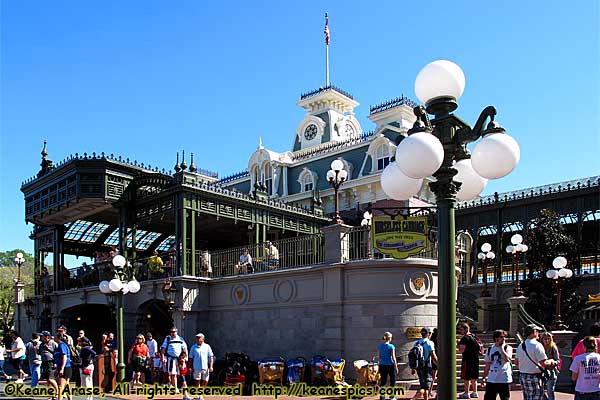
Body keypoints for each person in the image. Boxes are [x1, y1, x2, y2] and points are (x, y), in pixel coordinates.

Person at [515, 324, 558, 400]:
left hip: (523, 376)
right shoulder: (537, 345)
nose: (539, 333)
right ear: (533, 332)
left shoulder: (521, 345)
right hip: (534, 376)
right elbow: (543, 363)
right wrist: (552, 361)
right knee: (537, 397)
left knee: (527, 397)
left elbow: (516, 363)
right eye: (537, 331)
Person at [481, 330, 513, 400]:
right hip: (492, 379)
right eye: (501, 337)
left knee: (505, 398)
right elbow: (487, 365)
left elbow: (508, 359)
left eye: (504, 337)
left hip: (504, 379)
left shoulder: (508, 348)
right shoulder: (490, 349)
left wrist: (502, 349)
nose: (504, 339)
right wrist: (484, 377)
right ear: (496, 338)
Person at [570, 336, 600, 400]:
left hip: (581, 390)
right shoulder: (599, 358)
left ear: (584, 346)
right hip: (596, 390)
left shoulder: (578, 358)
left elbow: (573, 377)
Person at [411, 328, 437, 400]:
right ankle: (414, 398)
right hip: (427, 366)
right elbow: (433, 356)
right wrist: (439, 365)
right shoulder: (430, 343)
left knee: (424, 385)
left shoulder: (416, 343)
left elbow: (414, 356)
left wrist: (413, 368)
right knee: (425, 387)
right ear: (428, 334)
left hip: (418, 366)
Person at [161, 327, 188, 393]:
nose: (173, 333)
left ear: (177, 332)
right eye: (171, 332)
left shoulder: (181, 339)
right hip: (171, 359)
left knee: (181, 374)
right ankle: (175, 387)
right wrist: (162, 357)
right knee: (173, 374)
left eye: (174, 332)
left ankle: (182, 387)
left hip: (179, 359)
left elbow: (185, 349)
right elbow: (163, 349)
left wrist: (185, 358)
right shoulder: (167, 339)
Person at [188, 332, 214, 400]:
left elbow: (211, 356)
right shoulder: (193, 347)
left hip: (205, 367)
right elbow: (190, 357)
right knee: (197, 380)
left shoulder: (207, 346)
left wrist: (211, 366)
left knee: (205, 380)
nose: (197, 339)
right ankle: (200, 395)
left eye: (199, 337)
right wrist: (190, 367)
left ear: (203, 339)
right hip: (196, 367)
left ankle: (200, 392)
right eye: (197, 337)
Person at [458, 323, 480, 399]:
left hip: (467, 359)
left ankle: (466, 393)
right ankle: (475, 392)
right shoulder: (475, 337)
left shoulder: (465, 338)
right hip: (476, 359)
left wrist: (458, 345)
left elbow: (461, 350)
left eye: (461, 329)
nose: (460, 331)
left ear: (466, 329)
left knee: (466, 377)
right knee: (474, 377)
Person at [378, 331, 398, 400]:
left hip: (382, 365)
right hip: (390, 365)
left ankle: (382, 397)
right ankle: (392, 396)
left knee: (383, 381)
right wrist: (396, 367)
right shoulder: (391, 346)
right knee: (392, 381)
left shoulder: (380, 346)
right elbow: (393, 357)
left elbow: (379, 356)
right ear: (389, 338)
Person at [540, 332, 561, 400]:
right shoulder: (539, 347)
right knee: (540, 390)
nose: (546, 341)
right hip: (541, 371)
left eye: (548, 339)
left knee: (550, 391)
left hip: (551, 372)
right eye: (545, 339)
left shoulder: (553, 347)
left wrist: (552, 362)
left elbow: (558, 360)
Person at [54, 332, 73, 400]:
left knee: (60, 387)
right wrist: (57, 369)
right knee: (66, 386)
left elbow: (64, 357)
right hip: (62, 367)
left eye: (55, 336)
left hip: (66, 368)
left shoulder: (62, 345)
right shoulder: (59, 345)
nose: (54, 338)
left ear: (58, 338)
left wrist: (61, 368)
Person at [429, 328, 439, 399]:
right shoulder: (438, 341)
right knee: (434, 377)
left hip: (430, 360)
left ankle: (429, 391)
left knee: (432, 377)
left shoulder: (431, 341)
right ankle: (430, 391)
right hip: (436, 360)